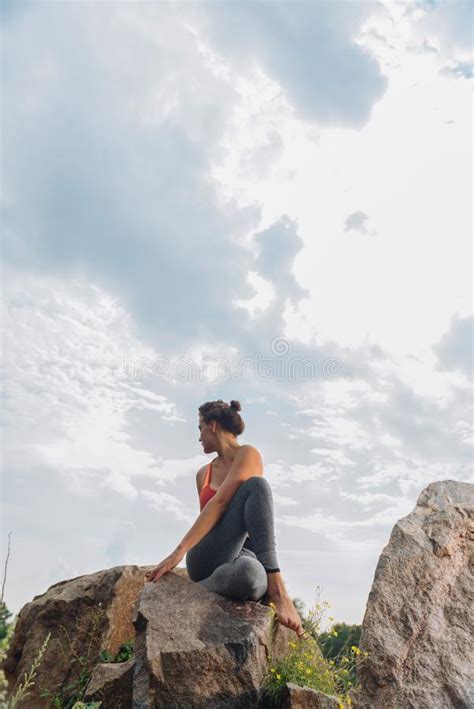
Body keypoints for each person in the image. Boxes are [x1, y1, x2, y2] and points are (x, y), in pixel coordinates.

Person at [145, 398, 304, 637]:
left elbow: (227, 504)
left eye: (200, 428)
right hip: (207, 556)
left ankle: (197, 592)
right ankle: (278, 590)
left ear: (214, 425)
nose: (199, 437)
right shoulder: (203, 474)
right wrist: (179, 552)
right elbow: (216, 507)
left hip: (242, 556)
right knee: (257, 486)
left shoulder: (247, 454)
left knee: (249, 576)